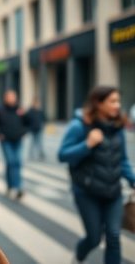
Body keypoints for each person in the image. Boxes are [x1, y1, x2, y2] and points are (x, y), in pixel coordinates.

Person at [58, 86, 135, 264]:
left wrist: (133, 180)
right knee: (94, 238)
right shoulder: (79, 126)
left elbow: (122, 159)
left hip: (113, 192)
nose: (117, 105)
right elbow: (62, 155)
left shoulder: (117, 127)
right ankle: (79, 256)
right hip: (87, 193)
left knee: (114, 236)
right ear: (98, 103)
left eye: (118, 101)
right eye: (112, 101)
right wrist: (87, 144)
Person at [0, 89, 29, 200]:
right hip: (6, 140)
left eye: (13, 97)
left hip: (18, 140)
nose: (11, 99)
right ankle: (13, 186)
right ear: (5, 98)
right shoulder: (0, 110)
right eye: (9, 97)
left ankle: (16, 187)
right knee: (11, 162)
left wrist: (24, 133)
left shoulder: (20, 109)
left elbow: (28, 122)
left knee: (16, 162)